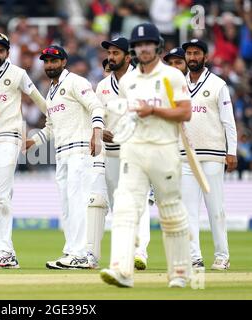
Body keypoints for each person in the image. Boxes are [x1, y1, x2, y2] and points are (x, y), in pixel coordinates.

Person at [100, 23, 192, 288]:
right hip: (134, 151)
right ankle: (122, 269)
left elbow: (185, 112)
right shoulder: (128, 81)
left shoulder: (172, 77)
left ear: (157, 47)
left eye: (147, 44)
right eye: (139, 45)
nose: (143, 49)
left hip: (163, 150)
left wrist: (155, 111)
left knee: (170, 211)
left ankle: (179, 271)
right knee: (125, 209)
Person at [25, 45, 104, 269]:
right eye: (46, 61)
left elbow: (96, 107)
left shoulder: (76, 82)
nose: (49, 65)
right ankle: (73, 252)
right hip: (62, 154)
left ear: (63, 62)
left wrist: (96, 135)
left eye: (53, 61)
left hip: (80, 151)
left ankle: (79, 253)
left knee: (77, 202)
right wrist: (32, 141)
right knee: (68, 205)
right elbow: (50, 128)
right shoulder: (50, 91)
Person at [0, 33, 47, 268]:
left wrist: (57, 118)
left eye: (0, 51)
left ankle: (5, 250)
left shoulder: (18, 74)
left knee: (1, 194)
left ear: (7, 53)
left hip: (8, 136)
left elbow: (39, 100)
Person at [181, 38, 237, 271]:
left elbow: (228, 121)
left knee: (215, 208)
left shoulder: (217, 84)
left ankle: (222, 256)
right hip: (185, 156)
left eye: (196, 53)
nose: (192, 57)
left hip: (213, 154)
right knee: (188, 210)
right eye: (189, 54)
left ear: (205, 57)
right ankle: (194, 257)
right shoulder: (177, 85)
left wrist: (231, 152)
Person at [96, 37, 151, 270]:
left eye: (116, 53)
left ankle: (140, 251)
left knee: (139, 201)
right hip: (111, 153)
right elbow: (97, 115)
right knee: (118, 206)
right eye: (110, 53)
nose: (111, 57)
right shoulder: (102, 86)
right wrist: (101, 132)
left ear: (128, 57)